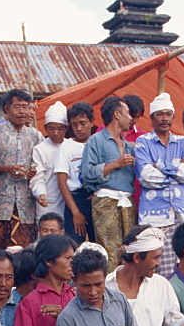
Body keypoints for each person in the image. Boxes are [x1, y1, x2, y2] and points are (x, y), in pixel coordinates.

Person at [133, 93, 184, 278]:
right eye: (159, 114)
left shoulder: (182, 141)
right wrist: (177, 167)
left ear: (173, 117)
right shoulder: (143, 142)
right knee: (161, 270)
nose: (164, 119)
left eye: (168, 114)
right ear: (152, 118)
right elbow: (146, 177)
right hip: (157, 216)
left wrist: (160, 165)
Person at [80, 96, 136, 270]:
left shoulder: (128, 146)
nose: (131, 118)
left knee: (130, 251)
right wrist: (115, 164)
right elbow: (86, 174)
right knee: (110, 252)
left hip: (127, 202)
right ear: (117, 114)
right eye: (127, 114)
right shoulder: (96, 141)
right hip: (105, 201)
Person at [0, 89, 42, 249]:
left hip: (26, 204)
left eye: (26, 107)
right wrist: (6, 168)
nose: (22, 112)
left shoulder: (36, 136)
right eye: (17, 107)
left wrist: (33, 173)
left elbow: (40, 167)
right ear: (7, 108)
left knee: (24, 250)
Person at [55, 102, 94, 244]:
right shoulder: (66, 146)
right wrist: (76, 213)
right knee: (74, 245)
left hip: (95, 198)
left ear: (91, 122)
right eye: (74, 124)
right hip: (75, 200)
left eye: (83, 123)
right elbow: (62, 182)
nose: (79, 128)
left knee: (99, 243)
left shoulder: (97, 143)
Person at [29, 100, 68, 224]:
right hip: (48, 203)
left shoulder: (70, 146)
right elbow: (37, 178)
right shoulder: (40, 149)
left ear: (66, 128)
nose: (55, 133)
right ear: (45, 128)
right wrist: (40, 194)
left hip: (69, 202)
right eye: (51, 128)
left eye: (60, 129)